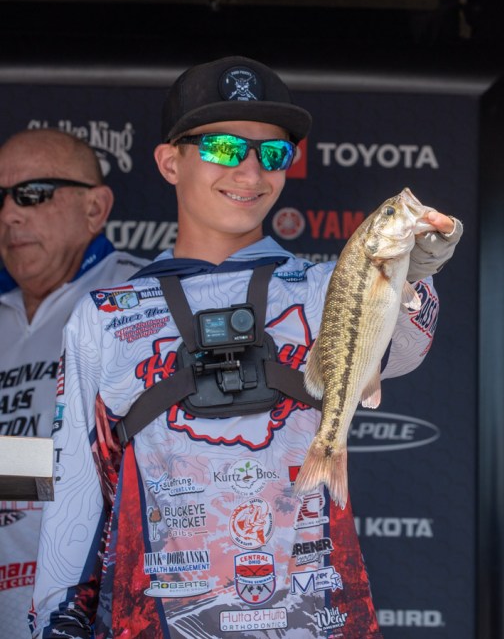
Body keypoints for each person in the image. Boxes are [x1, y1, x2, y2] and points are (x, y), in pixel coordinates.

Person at [30, 56, 462, 638]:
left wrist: (417, 270)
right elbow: (77, 494)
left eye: (274, 153)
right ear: (169, 161)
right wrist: (59, 620)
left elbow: (407, 348)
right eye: (224, 148)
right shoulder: (106, 316)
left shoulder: (321, 288)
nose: (251, 171)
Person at [0, 129, 148, 639]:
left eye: (32, 194)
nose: (9, 214)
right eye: (0, 198)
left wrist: (13, 469)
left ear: (95, 208)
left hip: (101, 613)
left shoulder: (140, 299)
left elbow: (149, 465)